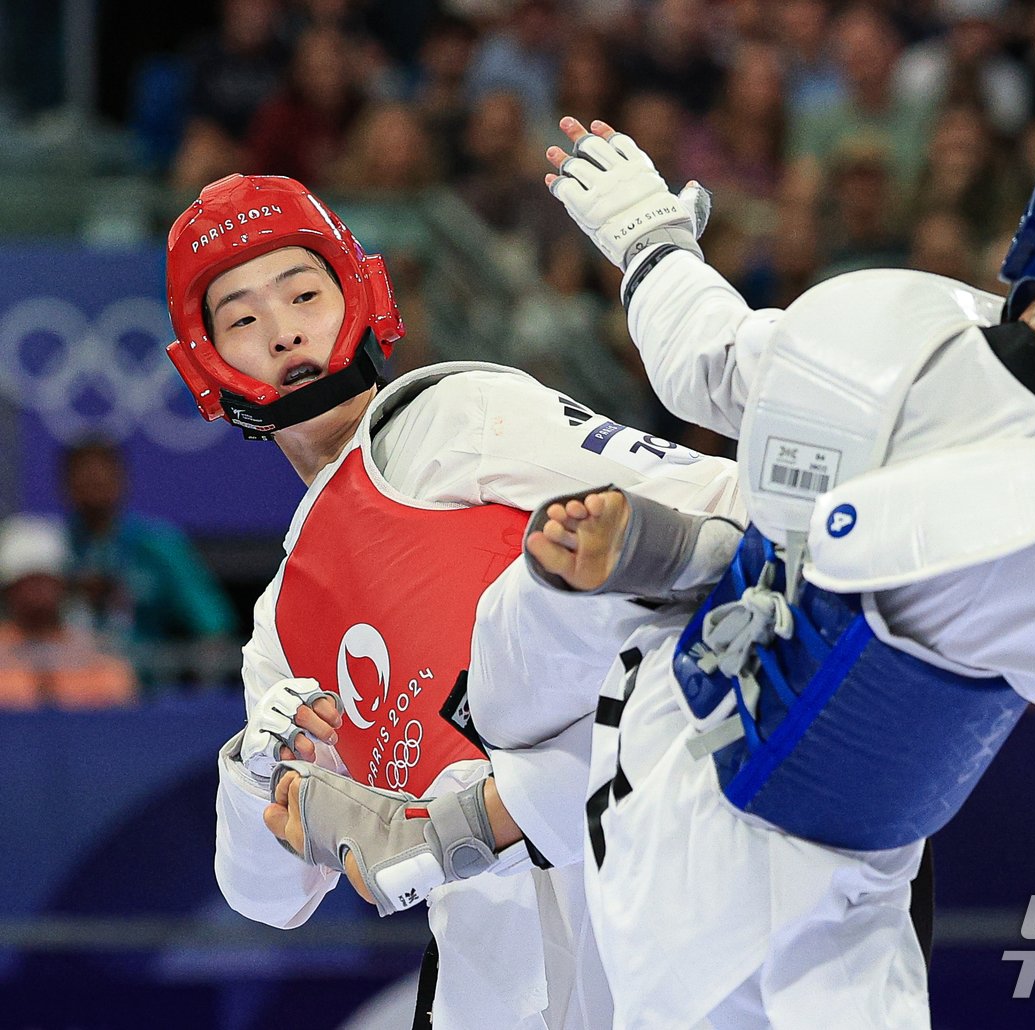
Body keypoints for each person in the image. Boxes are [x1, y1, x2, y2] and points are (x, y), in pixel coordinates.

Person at [530, 97, 1035, 1026]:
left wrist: (650, 237)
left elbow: (702, 365)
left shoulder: (880, 309)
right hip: (786, 931)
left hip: (646, 782)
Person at [163, 173, 740, 1028]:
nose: (283, 330)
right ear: (208, 362)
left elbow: (717, 511)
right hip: (492, 982)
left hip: (648, 902)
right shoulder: (280, 623)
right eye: (242, 319)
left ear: (360, 296)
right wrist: (254, 772)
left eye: (304, 295)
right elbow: (270, 900)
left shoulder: (451, 415)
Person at [62, 437, 238, 686]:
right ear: (66, 486)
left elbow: (212, 623)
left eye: (100, 482)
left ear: (121, 481)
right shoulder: (51, 546)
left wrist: (203, 690)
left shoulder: (159, 545)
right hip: (70, 688)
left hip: (148, 691)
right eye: (85, 483)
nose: (93, 492)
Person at [0, 514, 137, 708]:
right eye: (26, 582)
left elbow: (117, 704)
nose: (37, 590)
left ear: (63, 586)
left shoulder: (98, 658)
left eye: (45, 580)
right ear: (7, 590)